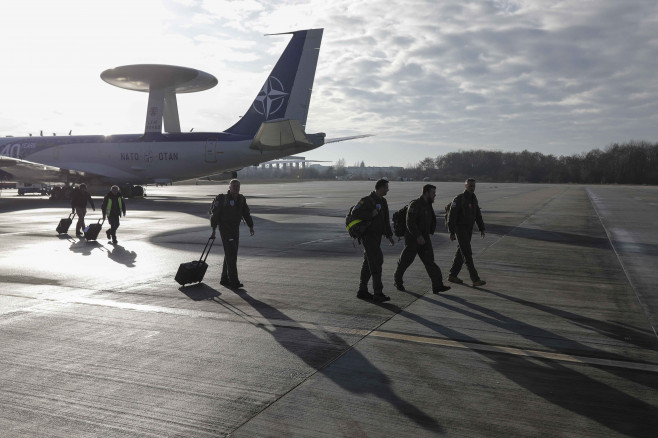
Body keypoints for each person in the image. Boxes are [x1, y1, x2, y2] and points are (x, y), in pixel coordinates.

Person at [393, 184, 450, 294]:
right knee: (405, 262)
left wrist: (424, 236)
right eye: (433, 193)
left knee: (430, 262)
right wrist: (418, 236)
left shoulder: (428, 205)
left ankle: (437, 285)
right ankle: (398, 281)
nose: (435, 195)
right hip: (413, 239)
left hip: (425, 238)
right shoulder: (415, 204)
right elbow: (409, 222)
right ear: (426, 193)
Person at [353, 178, 395, 302]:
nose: (388, 189)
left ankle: (362, 290)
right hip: (368, 236)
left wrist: (389, 235)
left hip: (377, 237)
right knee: (377, 260)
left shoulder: (383, 201)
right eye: (386, 187)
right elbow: (355, 213)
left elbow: (386, 220)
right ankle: (378, 292)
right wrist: (370, 214)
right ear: (380, 187)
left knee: (368, 263)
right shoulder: (366, 201)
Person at [210, 179, 254, 288]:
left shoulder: (241, 199)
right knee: (232, 255)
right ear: (229, 187)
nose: (236, 188)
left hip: (235, 229)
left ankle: (224, 279)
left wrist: (250, 226)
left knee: (230, 254)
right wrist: (213, 230)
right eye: (233, 186)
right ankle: (234, 281)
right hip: (225, 229)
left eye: (237, 186)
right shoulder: (222, 199)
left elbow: (246, 213)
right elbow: (215, 215)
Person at [447, 178, 486, 287]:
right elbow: (452, 217)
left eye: (473, 186)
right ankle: (475, 279)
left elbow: (478, 214)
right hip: (460, 229)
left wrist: (482, 228)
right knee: (467, 253)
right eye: (470, 186)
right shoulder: (459, 199)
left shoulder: (474, 198)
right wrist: (451, 232)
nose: (472, 188)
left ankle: (452, 275)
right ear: (465, 186)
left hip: (469, 229)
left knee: (461, 252)